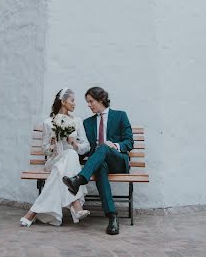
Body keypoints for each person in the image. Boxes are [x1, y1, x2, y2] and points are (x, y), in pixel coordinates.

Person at [63, 87, 133, 235]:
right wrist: (74, 148)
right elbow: (87, 149)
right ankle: (112, 216)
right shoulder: (87, 123)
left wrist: (114, 145)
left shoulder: (120, 116)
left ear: (101, 100)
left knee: (104, 147)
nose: (88, 105)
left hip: (118, 160)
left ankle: (79, 180)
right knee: (100, 166)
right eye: (87, 102)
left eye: (91, 101)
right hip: (100, 162)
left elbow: (129, 142)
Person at [20, 88, 90, 227]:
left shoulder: (77, 121)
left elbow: (86, 146)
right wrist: (52, 144)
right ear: (63, 101)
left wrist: (74, 144)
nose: (75, 104)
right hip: (54, 160)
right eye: (72, 100)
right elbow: (45, 150)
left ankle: (32, 212)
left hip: (69, 161)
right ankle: (76, 206)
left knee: (70, 155)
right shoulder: (48, 122)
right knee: (68, 158)